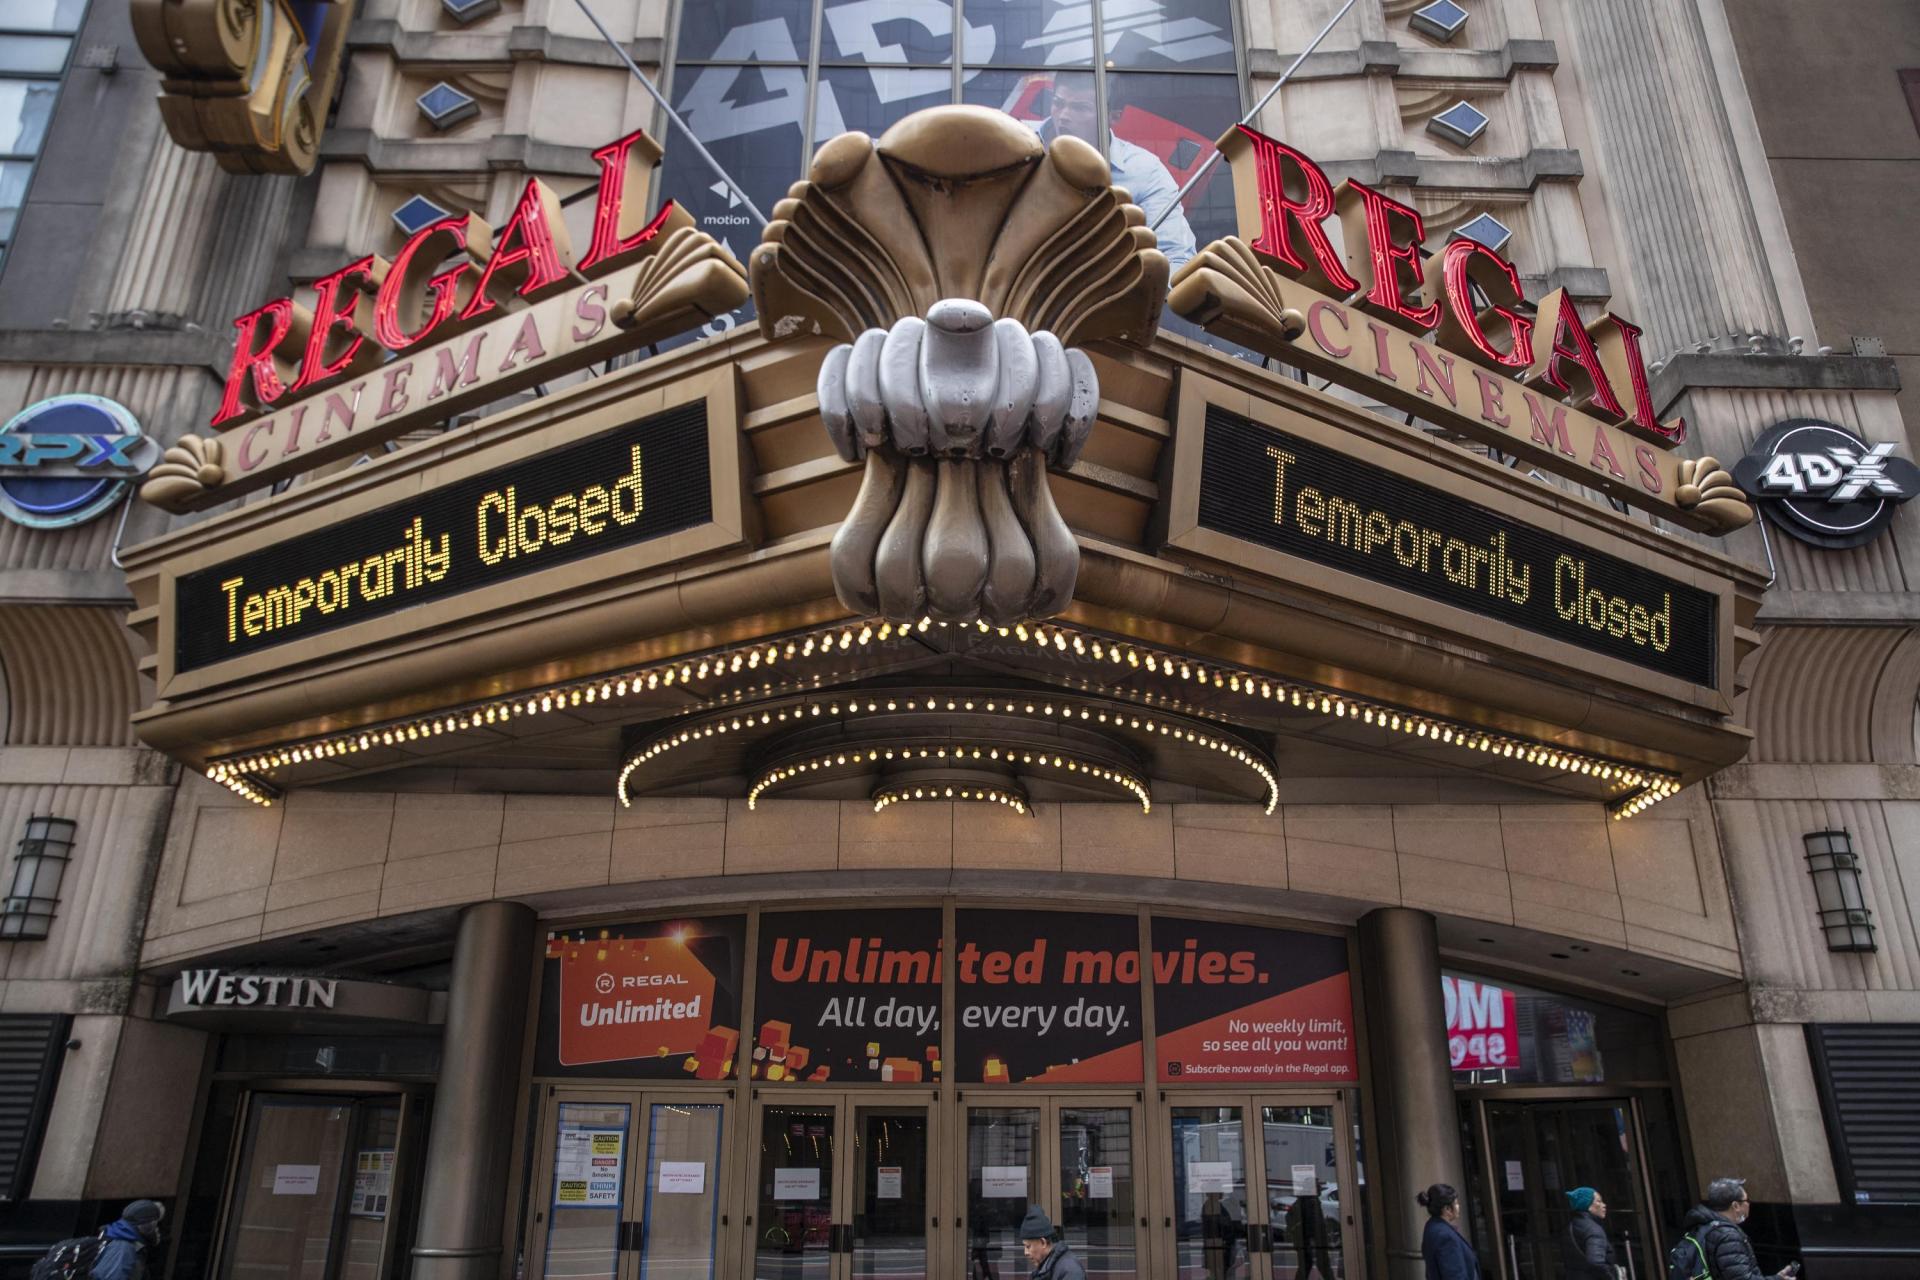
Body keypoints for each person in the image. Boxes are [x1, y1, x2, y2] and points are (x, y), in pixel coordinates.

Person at [1034, 73, 1198, 271]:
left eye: (1080, 108)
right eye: (1058, 103)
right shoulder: (1018, 145)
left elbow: (1175, 255)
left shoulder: (1145, 171)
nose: (1063, 115)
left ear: (1114, 116)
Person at [1678, 1178, 1797, 1280]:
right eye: (1747, 1200)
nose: (1749, 1204)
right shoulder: (1728, 1237)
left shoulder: (1705, 1227)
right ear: (1736, 1205)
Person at [1417, 1183, 1481, 1280]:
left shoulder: (1432, 1226)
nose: (1458, 1206)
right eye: (1456, 1203)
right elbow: (1455, 1275)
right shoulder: (1445, 1236)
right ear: (1447, 1209)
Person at [92, 1201, 163, 1280]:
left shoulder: (134, 1246)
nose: (158, 1230)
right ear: (147, 1226)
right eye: (157, 1225)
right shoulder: (123, 1248)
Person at [1560, 1187, 1615, 1280]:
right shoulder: (1594, 1230)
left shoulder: (1570, 1226)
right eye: (1599, 1201)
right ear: (1587, 1205)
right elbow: (1596, 1262)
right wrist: (1611, 1277)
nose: (1604, 1205)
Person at [1018, 1207, 1086, 1279]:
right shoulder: (1045, 1268)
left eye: (1028, 1246)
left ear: (1043, 1242)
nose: (1026, 1252)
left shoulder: (1070, 1270)